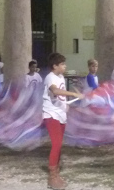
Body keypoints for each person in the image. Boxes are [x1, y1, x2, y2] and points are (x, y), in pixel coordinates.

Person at [42, 53, 83, 189]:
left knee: (59, 144)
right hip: (51, 114)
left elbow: (61, 94)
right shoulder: (50, 77)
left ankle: (57, 171)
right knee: (57, 143)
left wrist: (66, 104)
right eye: (62, 64)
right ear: (55, 66)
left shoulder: (60, 77)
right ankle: (52, 176)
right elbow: (55, 91)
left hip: (60, 114)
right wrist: (73, 94)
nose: (65, 66)